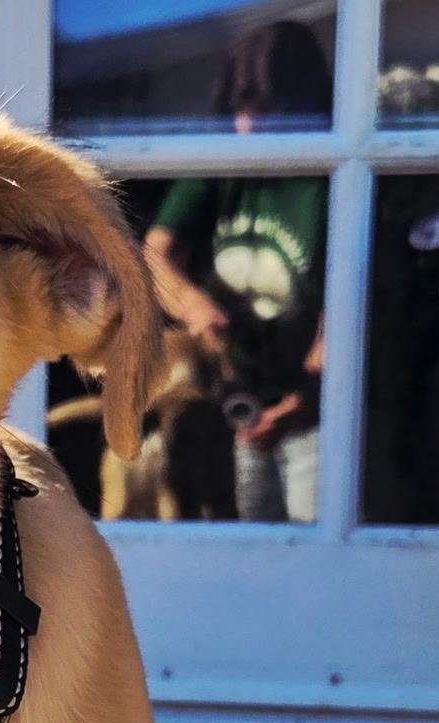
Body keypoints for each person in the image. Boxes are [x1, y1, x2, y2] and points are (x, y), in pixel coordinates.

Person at [142, 21, 331, 522]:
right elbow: (151, 255)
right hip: (240, 403)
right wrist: (192, 304)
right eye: (239, 109)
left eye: (264, 108)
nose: (247, 126)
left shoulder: (328, 177)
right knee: (250, 535)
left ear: (303, 105)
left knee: (312, 544)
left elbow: (348, 309)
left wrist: (293, 408)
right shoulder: (223, 162)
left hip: (316, 415)